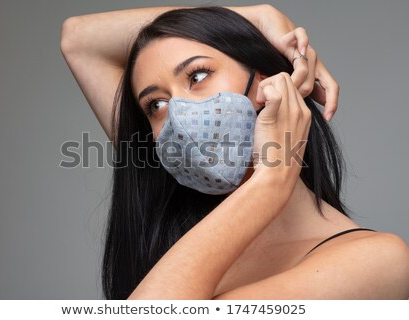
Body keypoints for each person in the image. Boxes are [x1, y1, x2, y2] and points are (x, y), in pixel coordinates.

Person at [61, 4, 409, 300]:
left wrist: (273, 178)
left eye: (198, 76)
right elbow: (79, 40)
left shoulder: (377, 263)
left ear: (269, 80)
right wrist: (257, 15)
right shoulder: (175, 214)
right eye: (157, 104)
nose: (179, 116)